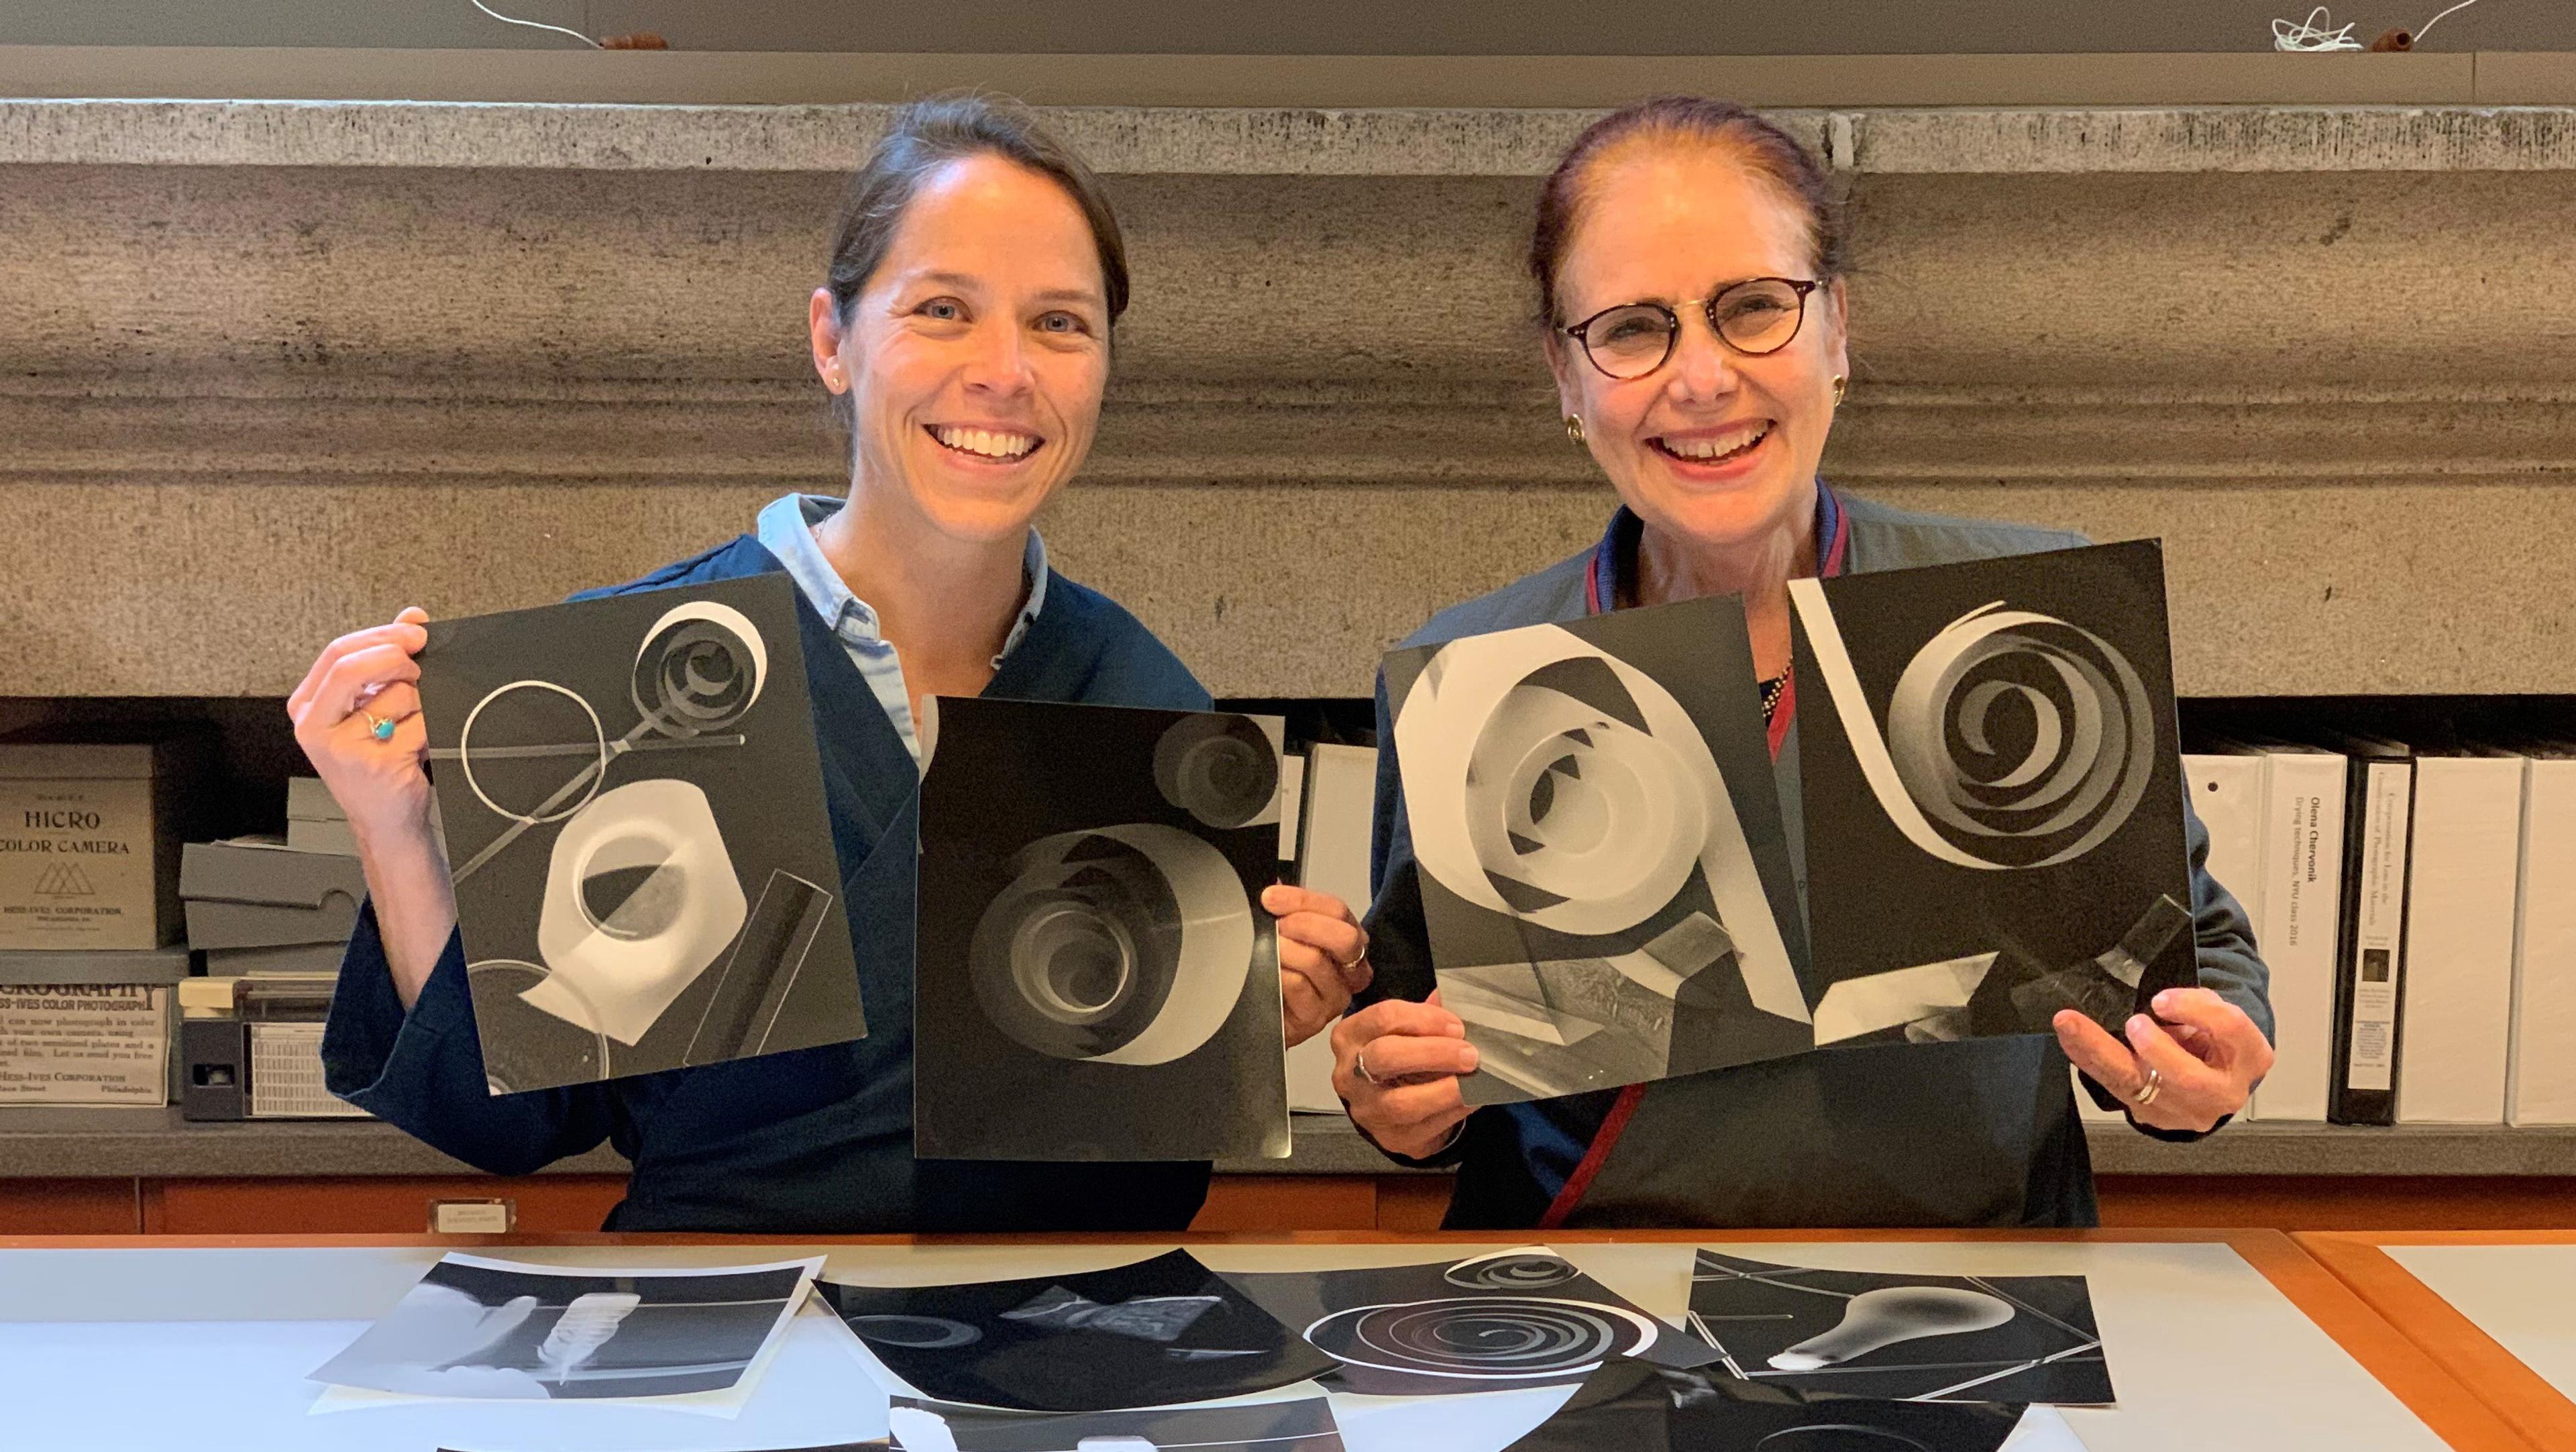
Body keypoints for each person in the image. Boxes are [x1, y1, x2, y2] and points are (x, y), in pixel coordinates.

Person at [293, 95, 1371, 1234]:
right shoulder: (648, 671)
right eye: (943, 310)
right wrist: (394, 829)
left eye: (1061, 323)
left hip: (1062, 1321)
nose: (1005, 371)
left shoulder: (1144, 699)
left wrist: (1246, 1014)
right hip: (726, 1314)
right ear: (831, 341)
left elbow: (1144, 1153)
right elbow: (507, 1124)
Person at [1328, 97, 2276, 1229]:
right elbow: (1414, 1049)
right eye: (1631, 329)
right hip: (1584, 1299)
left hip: (1971, 1297)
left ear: (1836, 331)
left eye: (1754, 309)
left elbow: (2187, 960)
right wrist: (1398, 1101)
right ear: (1566, 378)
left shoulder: (2019, 624)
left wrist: (2190, 1071)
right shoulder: (1472, 669)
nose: (1701, 379)